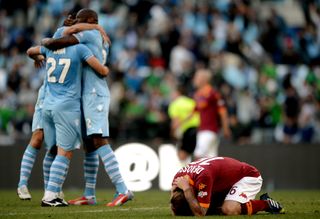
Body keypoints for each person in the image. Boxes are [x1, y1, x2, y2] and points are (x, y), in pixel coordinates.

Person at [42, 9, 133, 206]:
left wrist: (48, 40)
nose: (74, 23)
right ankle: (89, 194)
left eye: (79, 21)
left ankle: (123, 189)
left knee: (99, 140)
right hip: (85, 95)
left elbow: (63, 38)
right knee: (90, 145)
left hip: (94, 94)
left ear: (90, 21)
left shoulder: (90, 34)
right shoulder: (93, 34)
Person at [17, 11, 108, 201]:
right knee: (64, 150)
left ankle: (45, 189)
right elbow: (102, 70)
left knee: (48, 147)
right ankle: (51, 194)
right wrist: (105, 66)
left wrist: (39, 57)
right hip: (68, 104)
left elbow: (31, 51)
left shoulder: (48, 49)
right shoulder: (80, 49)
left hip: (47, 101)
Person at [170, 156, 285, 216]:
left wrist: (187, 190)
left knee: (228, 209)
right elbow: (174, 201)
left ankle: (266, 204)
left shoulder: (203, 178)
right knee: (211, 207)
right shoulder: (178, 178)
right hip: (225, 181)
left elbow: (200, 213)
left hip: (247, 176)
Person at [192, 69, 231, 160]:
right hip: (203, 130)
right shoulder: (198, 94)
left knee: (198, 156)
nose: (194, 80)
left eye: (196, 77)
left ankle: (193, 175)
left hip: (209, 130)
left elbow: (223, 111)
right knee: (211, 160)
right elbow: (194, 112)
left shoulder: (212, 93)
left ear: (203, 79)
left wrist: (226, 128)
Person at [168, 85, 199, 164]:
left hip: (188, 130)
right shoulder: (191, 102)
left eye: (172, 93)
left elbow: (175, 121)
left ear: (177, 93)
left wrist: (172, 133)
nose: (171, 95)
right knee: (198, 155)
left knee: (182, 155)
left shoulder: (175, 104)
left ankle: (184, 173)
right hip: (200, 129)